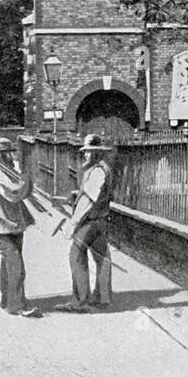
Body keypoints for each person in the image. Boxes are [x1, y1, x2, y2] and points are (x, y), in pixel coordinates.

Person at [56, 133, 114, 312]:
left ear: (97, 153)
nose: (85, 155)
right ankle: (103, 298)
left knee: (76, 255)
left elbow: (89, 200)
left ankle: (80, 302)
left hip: (90, 221)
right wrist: (76, 194)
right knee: (102, 258)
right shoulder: (103, 168)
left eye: (89, 152)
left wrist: (73, 224)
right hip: (101, 220)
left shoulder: (97, 171)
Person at [0, 137, 41, 318]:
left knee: (9, 265)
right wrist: (27, 183)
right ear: (1, 155)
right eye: (6, 153)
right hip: (3, 226)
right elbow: (13, 195)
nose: (10, 156)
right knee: (16, 266)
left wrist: (24, 183)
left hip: (14, 224)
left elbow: (17, 191)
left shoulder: (8, 171)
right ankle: (16, 305)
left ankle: (7, 300)